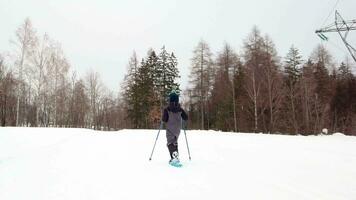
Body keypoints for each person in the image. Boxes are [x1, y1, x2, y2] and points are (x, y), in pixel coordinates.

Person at [162, 90, 188, 166]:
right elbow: (186, 118)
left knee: (170, 143)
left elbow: (164, 119)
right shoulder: (180, 109)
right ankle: (175, 158)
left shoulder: (167, 109)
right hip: (177, 129)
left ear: (170, 99)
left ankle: (174, 158)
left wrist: (164, 117)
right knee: (175, 142)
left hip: (170, 128)